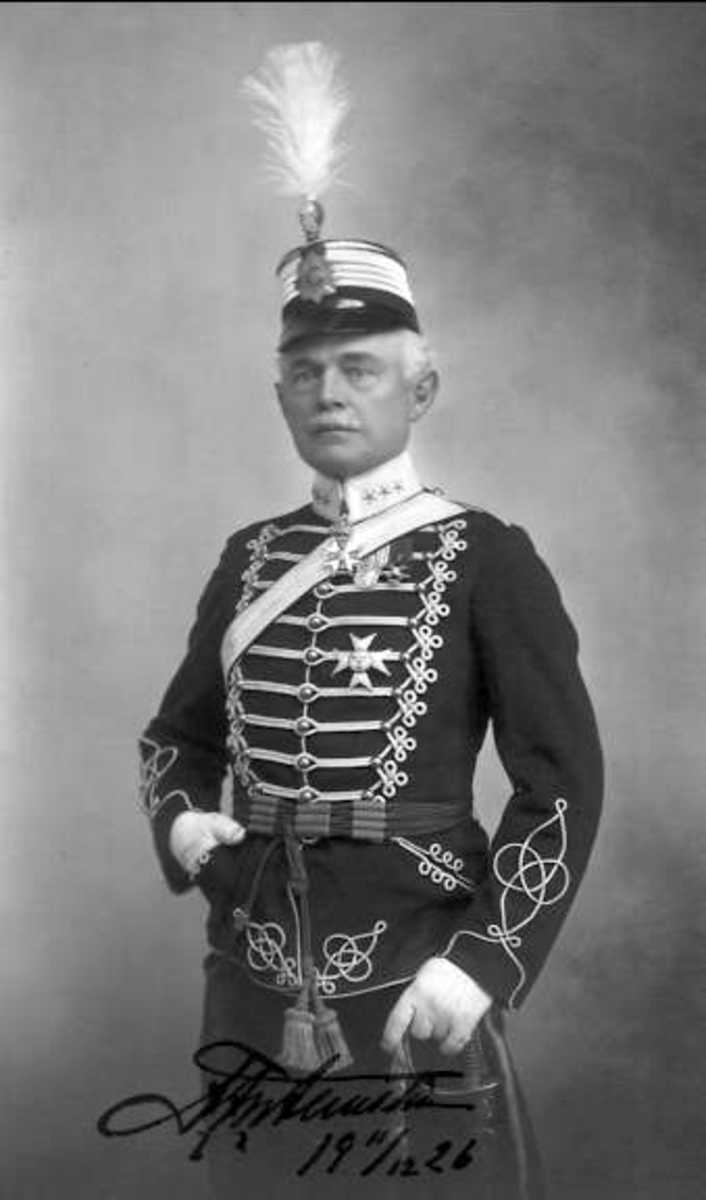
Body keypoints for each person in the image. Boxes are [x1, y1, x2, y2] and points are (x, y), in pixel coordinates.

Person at [137, 44, 603, 1200]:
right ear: (279, 393)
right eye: (306, 373)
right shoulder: (251, 557)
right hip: (251, 976)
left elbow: (559, 783)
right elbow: (175, 740)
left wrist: (485, 962)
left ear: (419, 388)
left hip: (415, 973)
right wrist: (185, 822)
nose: (331, 393)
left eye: (360, 367)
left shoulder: (484, 556)